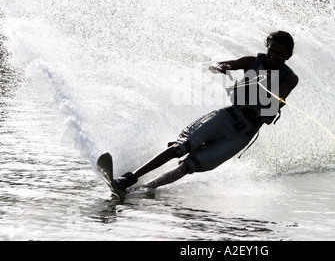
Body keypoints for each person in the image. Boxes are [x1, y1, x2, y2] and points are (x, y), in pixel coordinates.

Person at [114, 30, 299, 194]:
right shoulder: (252, 62)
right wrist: (220, 67)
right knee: (178, 149)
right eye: (271, 50)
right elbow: (218, 64)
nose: (273, 56)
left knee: (188, 166)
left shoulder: (290, 78)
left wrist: (264, 82)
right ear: (267, 47)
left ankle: (139, 190)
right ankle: (129, 178)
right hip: (226, 117)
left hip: (241, 135)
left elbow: (280, 93)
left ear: (288, 56)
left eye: (280, 54)